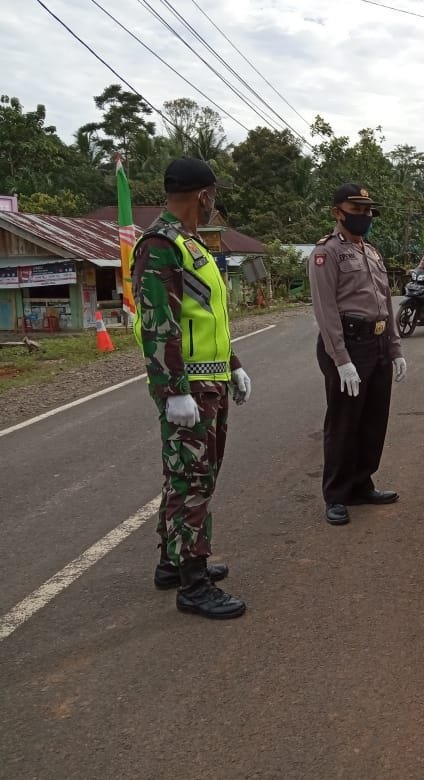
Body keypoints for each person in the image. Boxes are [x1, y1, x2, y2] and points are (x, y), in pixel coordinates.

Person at [132, 157, 251, 620]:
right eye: (213, 195)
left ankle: (171, 561)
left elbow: (207, 318)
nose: (213, 203)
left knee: (192, 475)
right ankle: (193, 583)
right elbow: (158, 324)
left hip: (211, 379)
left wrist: (234, 364)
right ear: (203, 195)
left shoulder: (192, 245)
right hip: (190, 387)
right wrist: (173, 390)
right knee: (191, 480)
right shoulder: (161, 244)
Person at [308, 183, 407, 526]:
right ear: (338, 212)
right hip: (348, 345)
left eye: (367, 211)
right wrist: (342, 360)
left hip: (377, 343)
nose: (364, 216)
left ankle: (362, 483)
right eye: (356, 209)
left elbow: (385, 302)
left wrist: (394, 347)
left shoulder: (373, 252)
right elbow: (326, 309)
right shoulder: (327, 253)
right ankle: (336, 494)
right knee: (343, 422)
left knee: (373, 420)